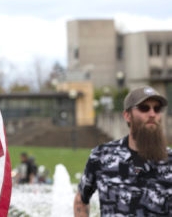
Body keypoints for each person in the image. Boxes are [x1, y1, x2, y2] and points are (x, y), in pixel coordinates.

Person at [74, 86, 172, 216]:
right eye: (144, 108)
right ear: (127, 115)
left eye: (157, 109)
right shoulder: (102, 156)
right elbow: (81, 200)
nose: (152, 114)